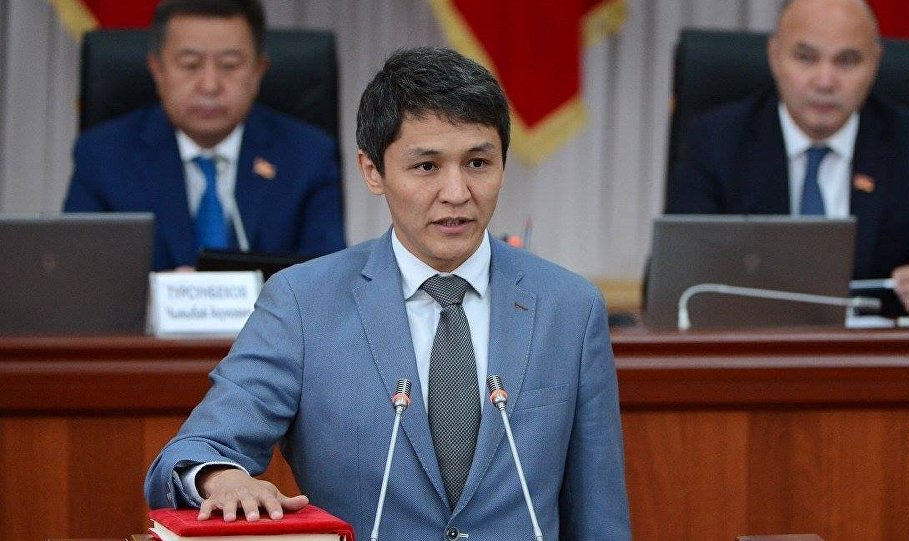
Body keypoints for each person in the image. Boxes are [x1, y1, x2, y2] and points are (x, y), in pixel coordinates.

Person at [144, 47, 632, 540]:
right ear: (372, 171)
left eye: (478, 162)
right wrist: (221, 477)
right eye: (427, 166)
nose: (457, 192)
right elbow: (194, 452)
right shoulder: (302, 303)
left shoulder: (569, 308)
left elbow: (600, 516)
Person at [667, 0, 909, 318]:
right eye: (806, 58)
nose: (825, 81)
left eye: (847, 61)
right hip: (753, 347)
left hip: (872, 352)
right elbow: (671, 279)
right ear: (775, 56)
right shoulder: (716, 141)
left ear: (875, 63)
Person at [64, 0, 345, 271]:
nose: (209, 86)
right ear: (157, 70)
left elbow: (329, 279)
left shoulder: (309, 157)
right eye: (190, 64)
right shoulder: (102, 156)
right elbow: (77, 272)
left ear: (258, 71)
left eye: (229, 65)